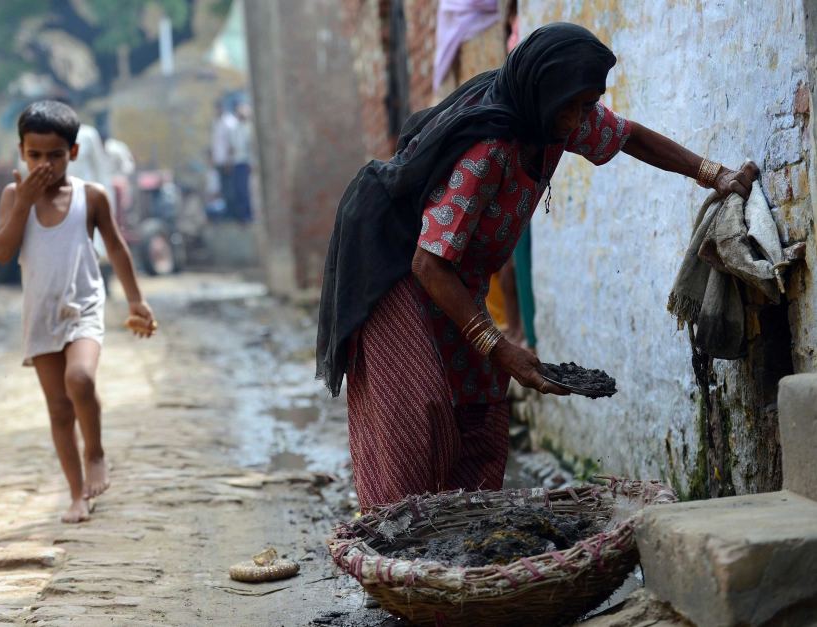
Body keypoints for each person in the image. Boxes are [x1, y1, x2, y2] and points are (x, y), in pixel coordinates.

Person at [317, 23, 759, 510]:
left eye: (587, 105)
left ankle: (464, 540)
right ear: (540, 92)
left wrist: (713, 175)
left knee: (478, 402)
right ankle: (398, 539)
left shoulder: (553, 116)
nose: (577, 120)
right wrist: (499, 346)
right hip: (393, 264)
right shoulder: (490, 150)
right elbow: (428, 263)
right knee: (420, 407)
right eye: (570, 107)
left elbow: (630, 137)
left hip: (452, 273)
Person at [0, 101, 156, 523]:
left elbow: (116, 247)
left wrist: (136, 300)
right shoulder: (14, 195)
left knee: (79, 378)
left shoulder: (91, 196)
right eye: (35, 155)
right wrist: (24, 201)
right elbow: (2, 251)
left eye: (55, 155)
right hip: (40, 315)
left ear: (74, 153)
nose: (44, 164)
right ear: (21, 152)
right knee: (59, 410)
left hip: (83, 305)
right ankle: (76, 493)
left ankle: (96, 451)